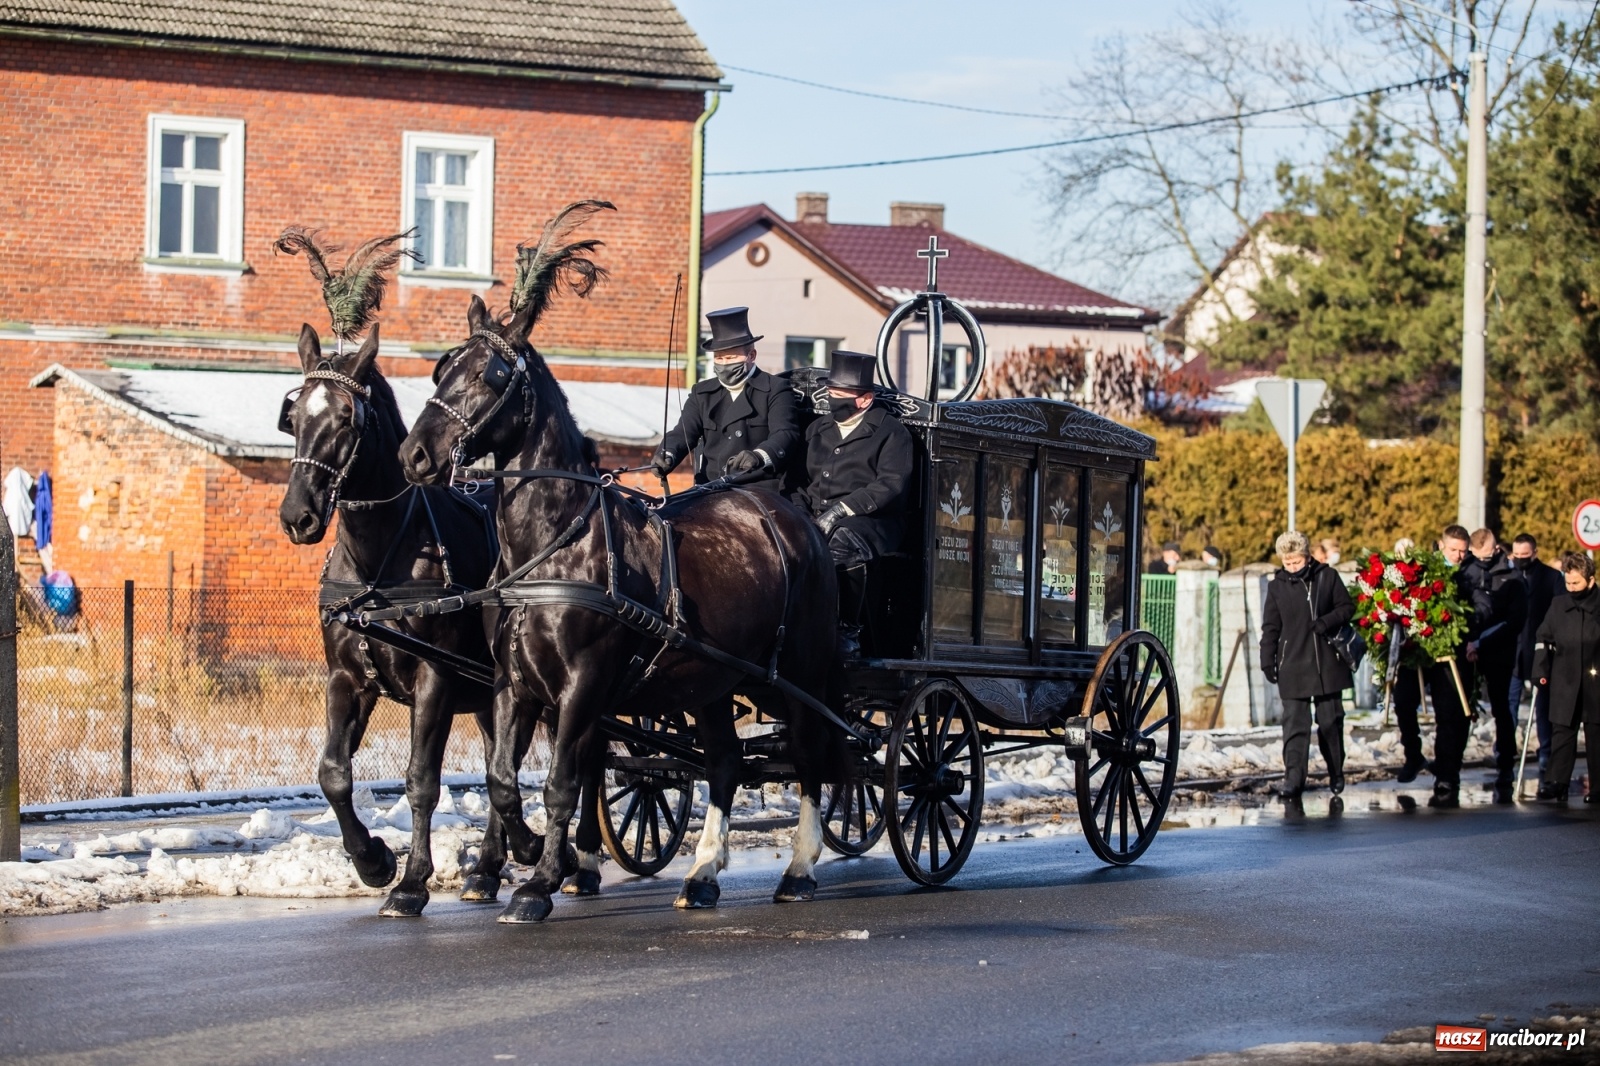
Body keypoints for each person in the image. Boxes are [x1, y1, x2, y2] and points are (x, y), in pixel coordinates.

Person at [798, 350, 913, 658]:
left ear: (864, 399)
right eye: (830, 392)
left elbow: (890, 484)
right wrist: (797, 512)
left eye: (839, 395)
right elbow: (796, 480)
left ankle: (848, 629)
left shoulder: (892, 433)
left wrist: (841, 510)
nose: (832, 399)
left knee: (841, 543)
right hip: (816, 513)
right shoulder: (816, 430)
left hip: (873, 521)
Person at [652, 307, 799, 491]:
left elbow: (785, 434)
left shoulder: (775, 389)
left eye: (730, 357)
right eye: (719, 358)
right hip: (709, 488)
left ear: (751, 356)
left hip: (756, 489)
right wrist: (668, 453)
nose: (724, 364)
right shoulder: (702, 393)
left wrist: (760, 456)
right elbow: (683, 432)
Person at [1260, 530, 1356, 801]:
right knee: (1294, 725)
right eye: (1287, 563)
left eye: (1296, 562)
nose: (1292, 568)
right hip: (1292, 663)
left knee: (1330, 722)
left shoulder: (1327, 576)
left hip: (1327, 662)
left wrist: (1327, 621)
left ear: (1307, 556)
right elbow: (1270, 627)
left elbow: (1347, 607)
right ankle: (1293, 779)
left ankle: (1336, 771)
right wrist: (1267, 659)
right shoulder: (1277, 586)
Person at [1388, 524, 1474, 806]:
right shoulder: (1423, 570)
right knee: (1403, 701)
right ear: (1441, 545)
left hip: (1450, 654)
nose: (1459, 556)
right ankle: (1413, 755)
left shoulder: (1470, 573)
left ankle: (1446, 774)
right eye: (1453, 550)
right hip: (1418, 651)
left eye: (1463, 551)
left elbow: (1480, 607)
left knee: (1449, 714)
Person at [1461, 529, 1528, 803]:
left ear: (1495, 549)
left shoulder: (1512, 579)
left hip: (1499, 653)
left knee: (1502, 710)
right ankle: (1450, 767)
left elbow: (1514, 622)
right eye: (1477, 556)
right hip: (1467, 651)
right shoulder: (1466, 572)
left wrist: (1481, 643)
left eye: (1486, 555)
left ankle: (1505, 765)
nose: (1482, 560)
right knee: (1460, 708)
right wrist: (1468, 642)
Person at [1532, 552, 1600, 804]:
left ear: (1590, 581)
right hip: (1565, 678)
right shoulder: (1559, 605)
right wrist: (1540, 670)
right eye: (1568, 583)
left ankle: (1598, 786)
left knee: (1596, 735)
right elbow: (1543, 638)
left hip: (1596, 681)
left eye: (1577, 584)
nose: (1571, 588)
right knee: (1562, 732)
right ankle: (1557, 782)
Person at [1510, 533, 1565, 777]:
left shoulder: (1552, 578)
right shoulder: (1507, 575)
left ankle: (1546, 753)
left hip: (1541, 651)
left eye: (1525, 556)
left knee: (1543, 705)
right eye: (1517, 556)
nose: (1521, 560)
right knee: (1508, 703)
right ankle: (1505, 751)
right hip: (1513, 651)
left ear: (1535, 553)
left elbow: (1560, 613)